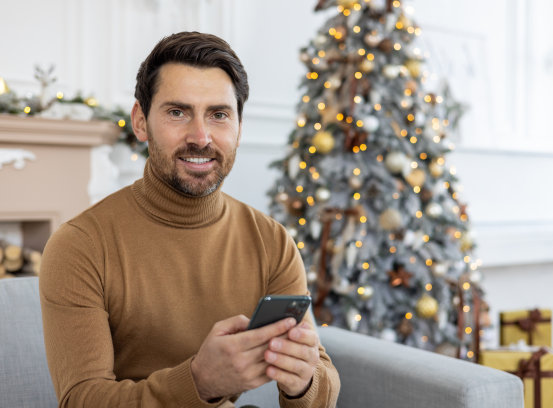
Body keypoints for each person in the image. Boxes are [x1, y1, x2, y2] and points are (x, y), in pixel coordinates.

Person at [40, 31, 340, 408]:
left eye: (218, 115)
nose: (200, 137)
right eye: (177, 112)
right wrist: (198, 382)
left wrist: (303, 382)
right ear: (140, 121)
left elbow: (322, 385)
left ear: (239, 128)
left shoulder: (272, 242)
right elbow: (82, 400)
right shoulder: (80, 245)